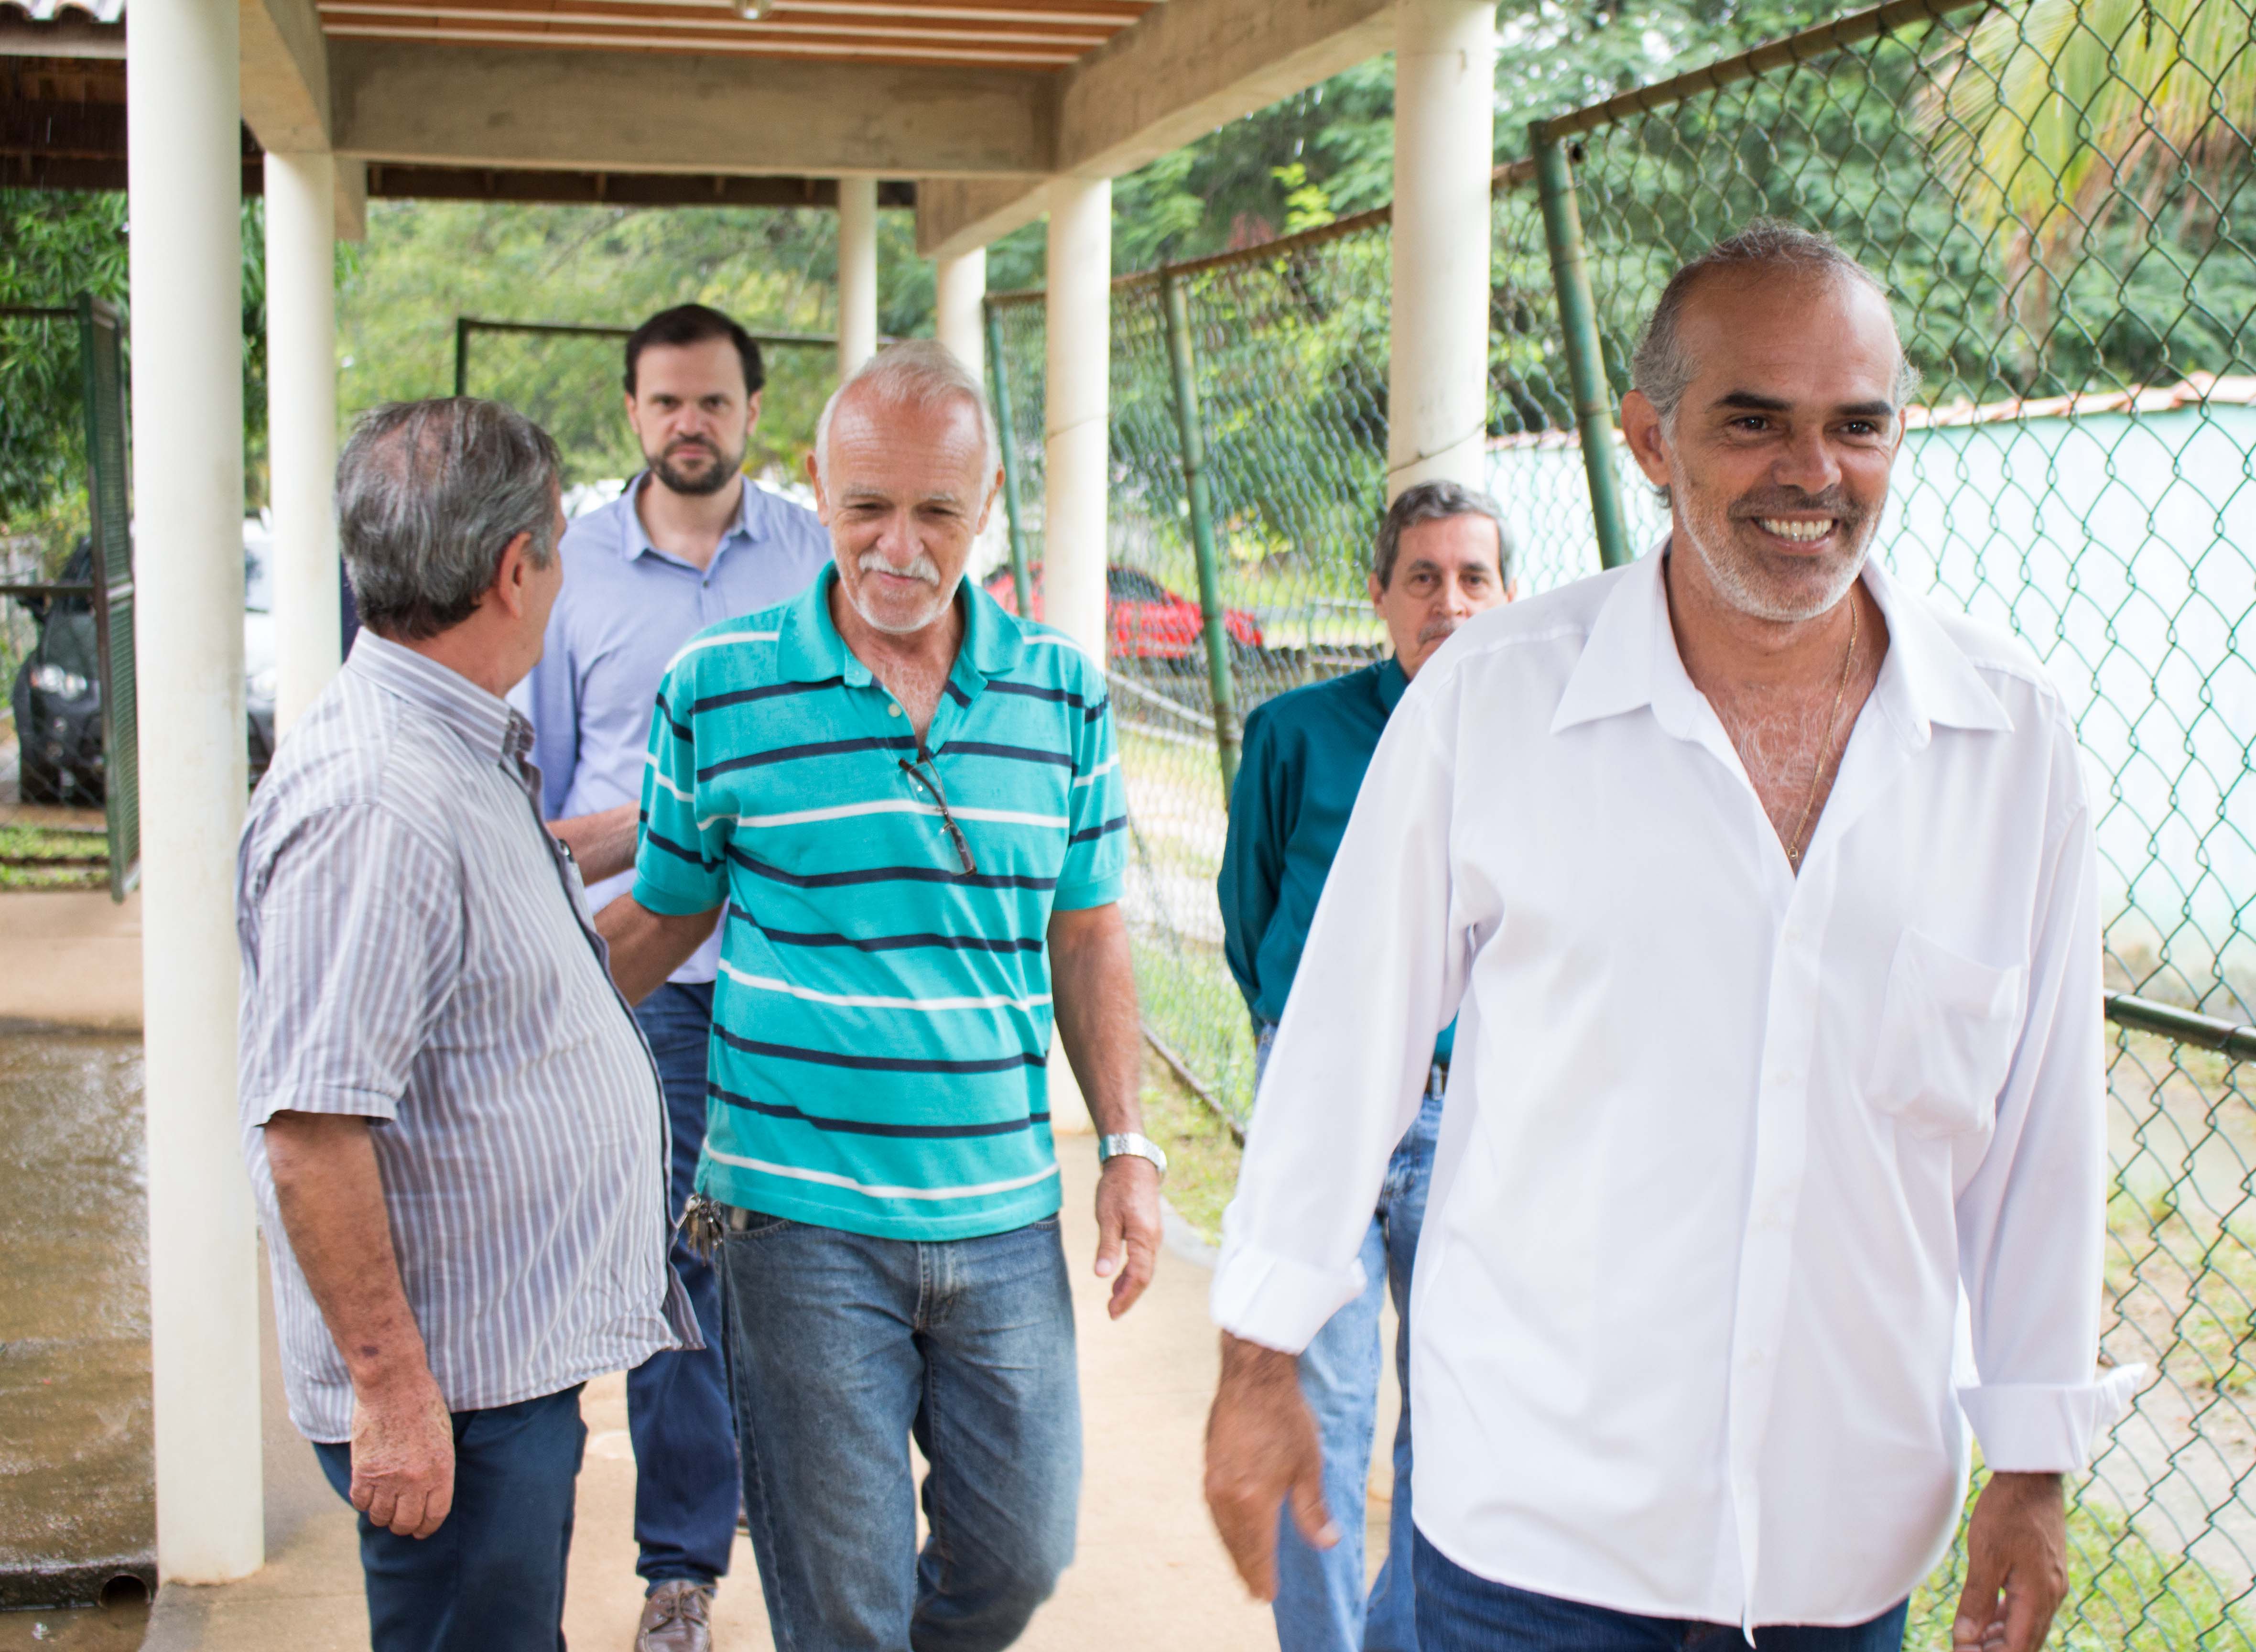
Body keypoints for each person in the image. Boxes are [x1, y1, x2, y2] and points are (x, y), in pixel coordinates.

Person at [1203, 220, 2137, 1652]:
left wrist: (2034, 1462)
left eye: (1857, 426)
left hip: (1845, 1547)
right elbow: (1345, 1043)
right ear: (1650, 438)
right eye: (1752, 421)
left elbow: (2040, 1136)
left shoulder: (2011, 744)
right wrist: (1260, 1360)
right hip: (1532, 1530)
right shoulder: (1494, 704)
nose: (1811, 473)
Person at [597, 339, 1167, 1652]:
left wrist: (1127, 1148)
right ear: (817, 484)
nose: (899, 547)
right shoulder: (718, 691)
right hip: (795, 1220)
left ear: (986, 511)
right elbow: (663, 915)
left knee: (1021, 1551)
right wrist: (513, 1042)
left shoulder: (1063, 696)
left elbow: (1087, 938)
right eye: (866, 508)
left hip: (1002, 1214)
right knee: (839, 1599)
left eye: (936, 514)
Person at [237, 398, 696, 1652]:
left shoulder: (454, 748)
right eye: (560, 546)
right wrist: (391, 1397)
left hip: (501, 1379)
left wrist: (688, 853)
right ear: (514, 571)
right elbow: (311, 1132)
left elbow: (544, 986)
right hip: (453, 1400)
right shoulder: (381, 800)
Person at [511, 302, 831, 1652]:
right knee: (668, 1260)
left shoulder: (815, 557)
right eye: (665, 404)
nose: (689, 424)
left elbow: (831, 762)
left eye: (713, 401)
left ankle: (791, 1493)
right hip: (648, 974)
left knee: (804, 1254)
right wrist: (660, 839)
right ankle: (683, 1563)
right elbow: (552, 784)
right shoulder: (570, 567)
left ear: (752, 412)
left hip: (794, 970)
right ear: (632, 415)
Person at [1217, 478, 1516, 1652]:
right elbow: (1251, 918)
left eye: (1473, 576)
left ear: (1506, 592)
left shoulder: (1539, 738)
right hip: (1327, 1109)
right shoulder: (1298, 733)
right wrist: (1307, 1057)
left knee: (1449, 1409)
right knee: (1319, 1406)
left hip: (1476, 1115)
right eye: (1423, 578)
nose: (1449, 603)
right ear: (1381, 595)